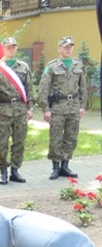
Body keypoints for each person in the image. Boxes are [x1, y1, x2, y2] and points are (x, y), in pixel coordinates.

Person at [0, 37, 33, 185]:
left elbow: (29, 88)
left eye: (13, 47)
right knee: (2, 143)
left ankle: (15, 170)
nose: (11, 49)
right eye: (8, 47)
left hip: (20, 109)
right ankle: (3, 171)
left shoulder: (23, 67)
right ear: (3, 49)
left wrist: (30, 107)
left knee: (19, 141)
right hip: (3, 110)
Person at [38, 36, 86, 180]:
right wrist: (46, 109)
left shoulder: (78, 64)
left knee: (71, 137)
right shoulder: (52, 66)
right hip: (58, 107)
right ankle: (56, 167)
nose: (68, 49)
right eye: (65, 47)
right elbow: (43, 88)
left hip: (74, 106)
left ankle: (65, 165)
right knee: (56, 137)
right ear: (59, 49)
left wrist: (82, 106)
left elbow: (83, 86)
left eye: (70, 46)